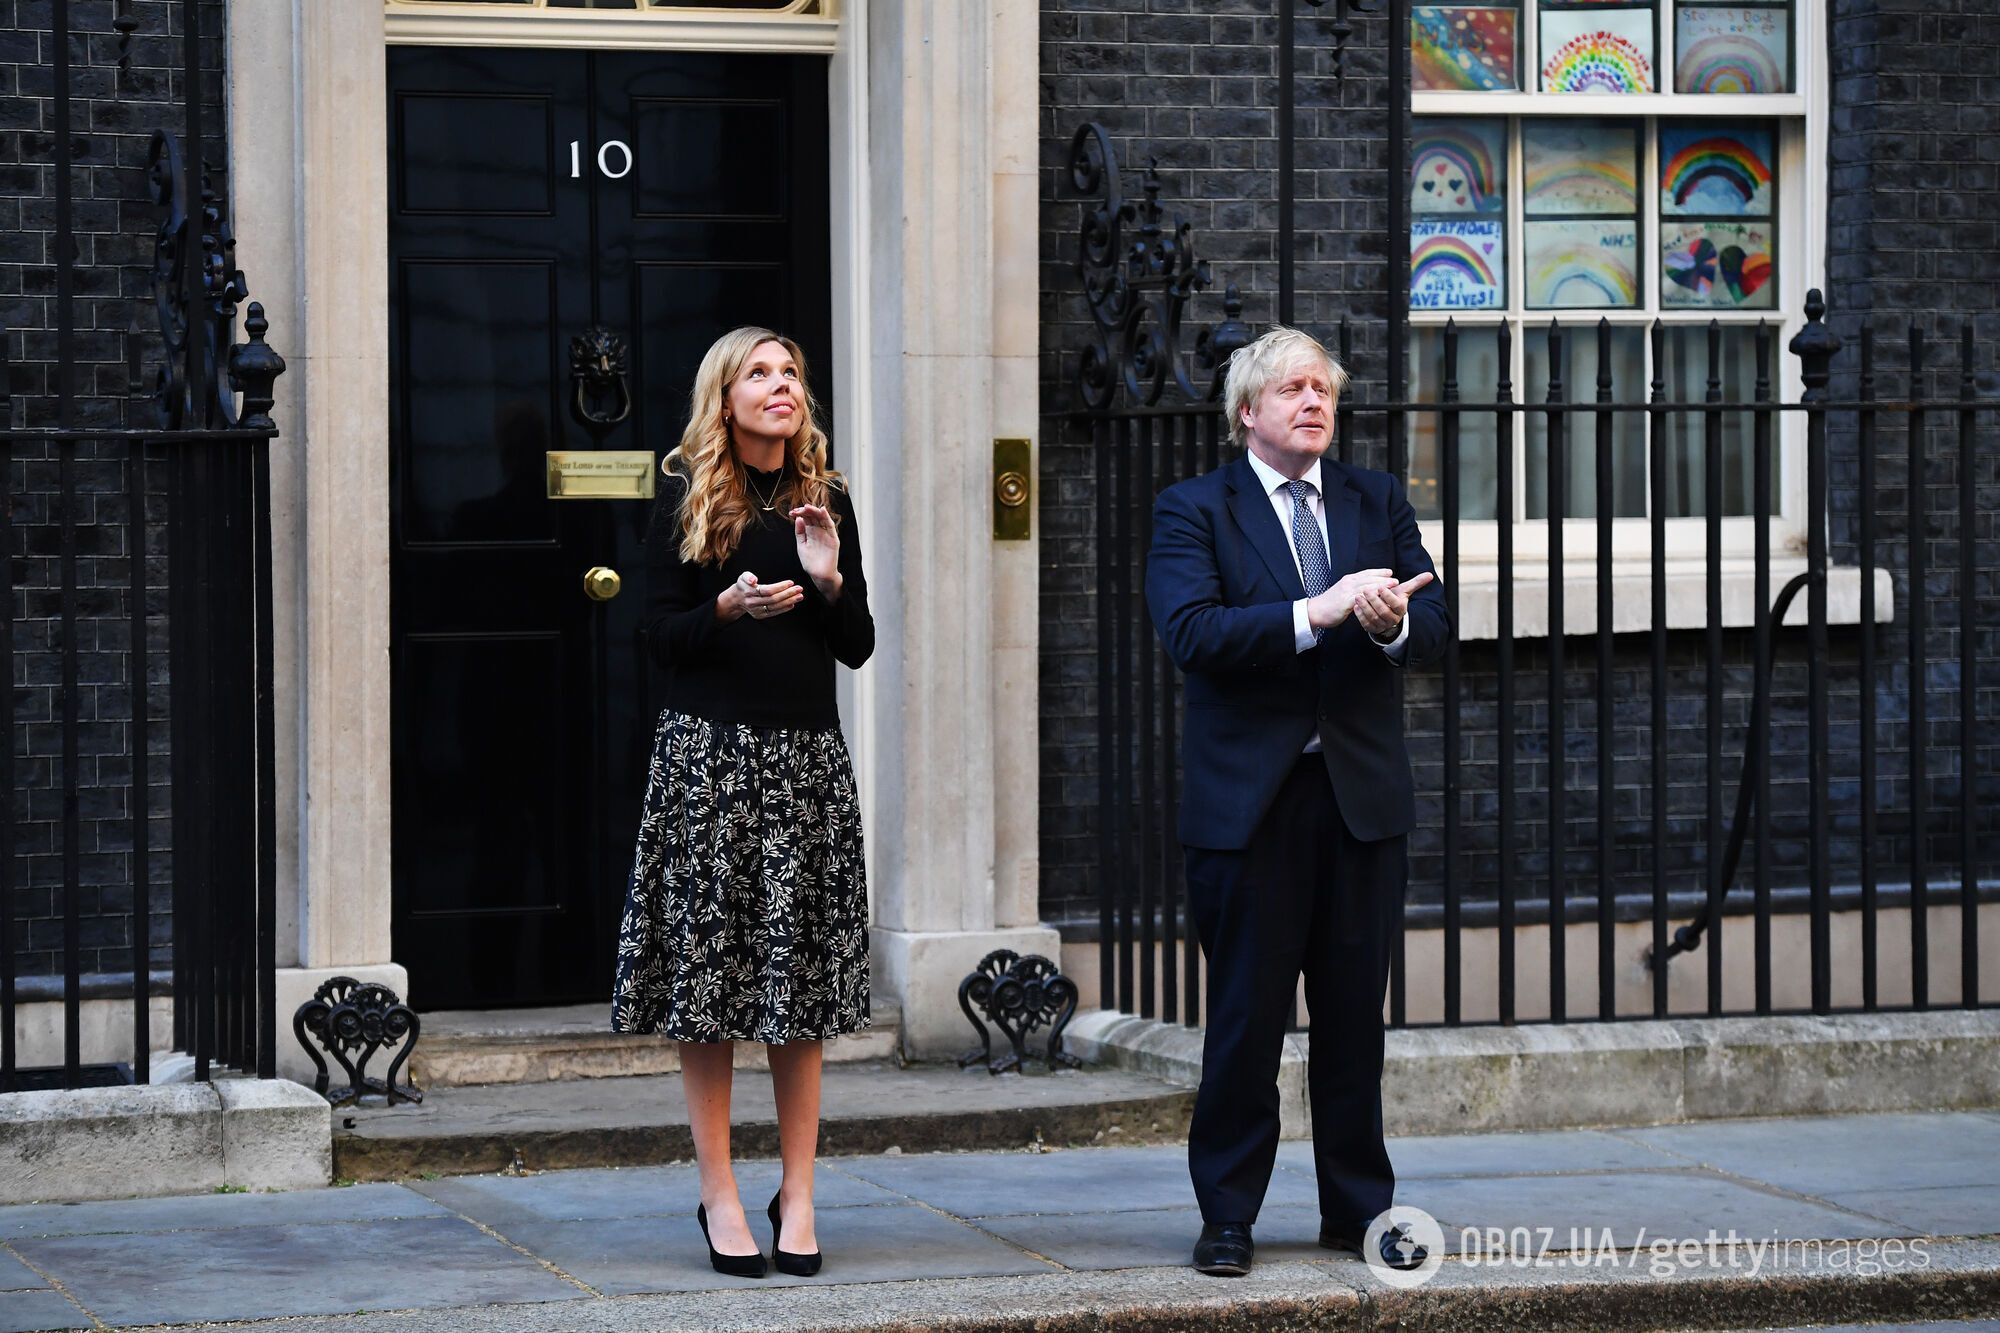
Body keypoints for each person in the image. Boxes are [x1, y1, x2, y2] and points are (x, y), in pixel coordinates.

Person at [1144, 326, 1448, 1277]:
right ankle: (1229, 1212)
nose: (1314, 402)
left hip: (1360, 800)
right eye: (1291, 390)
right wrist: (1316, 613)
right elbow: (1192, 632)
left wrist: (1397, 624)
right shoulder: (1195, 508)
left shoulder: (1376, 498)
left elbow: (1437, 621)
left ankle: (1358, 1208)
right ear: (1248, 413)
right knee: (1247, 1018)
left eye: (1323, 388)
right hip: (1252, 809)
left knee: (1356, 1021)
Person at [612, 326, 873, 1280]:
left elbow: (857, 644)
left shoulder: (826, 497)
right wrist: (726, 607)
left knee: (797, 992)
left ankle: (798, 1193)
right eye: (760, 373)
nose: (781, 386)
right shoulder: (687, 490)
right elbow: (656, 638)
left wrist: (829, 578)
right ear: (724, 397)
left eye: (792, 372)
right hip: (710, 763)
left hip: (805, 763)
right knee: (711, 991)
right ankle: (720, 1191)